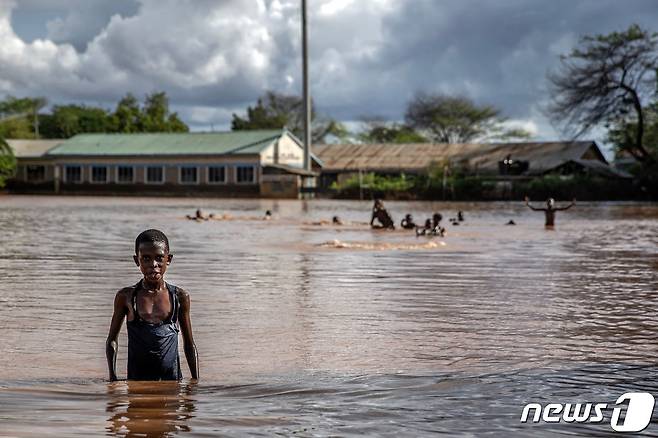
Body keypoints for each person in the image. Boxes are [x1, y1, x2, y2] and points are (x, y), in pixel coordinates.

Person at [106, 229, 199, 381]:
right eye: (146, 259)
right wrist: (113, 379)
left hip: (172, 383)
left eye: (159, 258)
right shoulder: (127, 297)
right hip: (137, 383)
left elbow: (189, 344)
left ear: (168, 259)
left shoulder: (179, 297)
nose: (153, 265)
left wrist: (195, 381)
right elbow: (112, 340)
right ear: (137, 261)